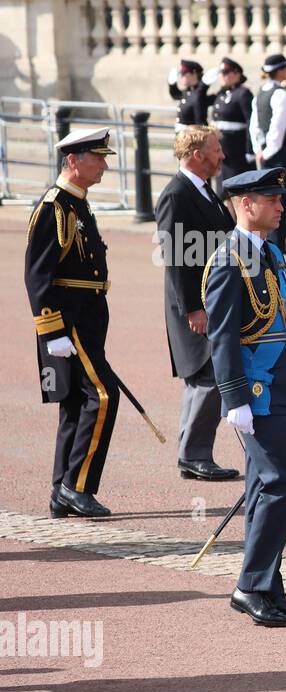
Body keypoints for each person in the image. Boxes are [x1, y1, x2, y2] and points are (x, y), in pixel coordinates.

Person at [205, 167, 286, 626]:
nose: (281, 206)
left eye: (281, 199)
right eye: (271, 199)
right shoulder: (227, 260)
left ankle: (268, 587)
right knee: (283, 482)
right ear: (245, 204)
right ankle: (250, 585)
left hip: (280, 386)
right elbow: (222, 338)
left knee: (263, 487)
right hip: (252, 393)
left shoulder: (272, 254)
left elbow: (284, 330)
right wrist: (233, 397)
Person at [25, 128, 121, 519]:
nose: (103, 164)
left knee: (77, 400)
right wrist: (53, 330)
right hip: (68, 319)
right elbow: (37, 274)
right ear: (72, 161)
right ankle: (76, 486)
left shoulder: (78, 203)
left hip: (87, 317)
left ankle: (61, 489)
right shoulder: (55, 206)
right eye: (96, 157)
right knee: (102, 395)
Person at [155, 124, 239, 482]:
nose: (221, 155)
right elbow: (174, 255)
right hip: (194, 306)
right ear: (196, 154)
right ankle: (195, 454)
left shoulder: (205, 191)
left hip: (213, 300)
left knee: (204, 377)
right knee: (208, 375)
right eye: (215, 149)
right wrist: (192, 307)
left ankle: (191, 453)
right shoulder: (177, 195)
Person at [249, 53, 286, 253]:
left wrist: (259, 149)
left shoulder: (261, 92)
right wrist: (268, 150)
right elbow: (277, 127)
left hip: (266, 153)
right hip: (278, 154)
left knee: (271, 198)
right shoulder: (281, 94)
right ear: (280, 71)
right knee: (278, 199)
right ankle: (277, 243)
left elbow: (255, 126)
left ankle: (276, 242)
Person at [211, 58, 255, 195]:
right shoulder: (222, 93)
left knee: (236, 191)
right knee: (222, 191)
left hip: (237, 152)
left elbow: (250, 122)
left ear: (237, 74)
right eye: (221, 73)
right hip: (222, 153)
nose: (222, 76)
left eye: (226, 72)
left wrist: (250, 150)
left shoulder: (243, 93)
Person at [169, 59, 216, 132]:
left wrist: (204, 85)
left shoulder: (199, 94)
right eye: (180, 73)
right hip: (182, 135)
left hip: (193, 135)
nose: (181, 76)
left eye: (184, 73)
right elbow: (175, 95)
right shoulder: (188, 92)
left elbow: (200, 121)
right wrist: (172, 85)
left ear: (194, 73)